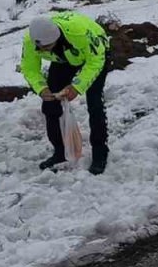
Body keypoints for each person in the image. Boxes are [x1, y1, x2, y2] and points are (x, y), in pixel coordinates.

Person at [20, 12, 111, 174]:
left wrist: (76, 87)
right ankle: (60, 151)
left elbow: (96, 61)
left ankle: (100, 153)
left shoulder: (80, 34)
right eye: (40, 48)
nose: (43, 50)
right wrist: (42, 89)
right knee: (50, 104)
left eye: (47, 47)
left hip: (95, 54)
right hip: (63, 58)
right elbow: (29, 68)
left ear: (56, 38)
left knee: (94, 101)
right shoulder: (31, 41)